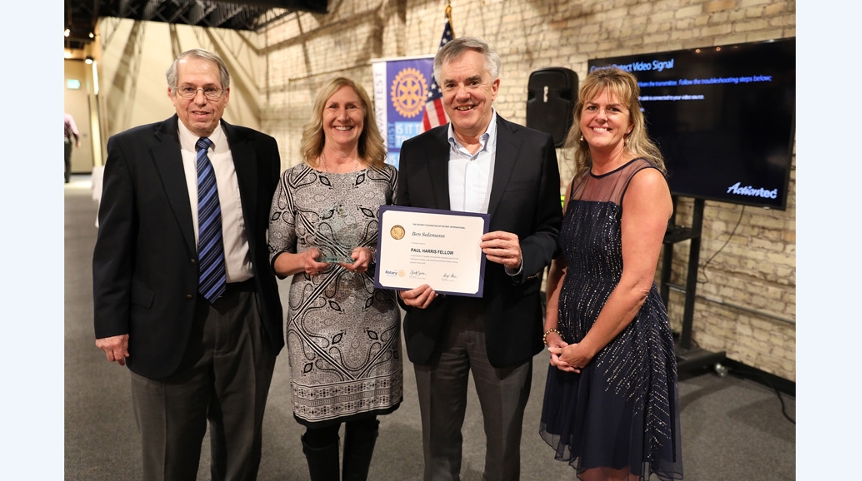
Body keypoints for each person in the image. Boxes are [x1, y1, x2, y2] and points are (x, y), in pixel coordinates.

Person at [91, 48, 284, 481]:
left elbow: (276, 226)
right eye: (189, 89)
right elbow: (112, 244)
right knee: (168, 456)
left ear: (227, 94)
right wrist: (109, 322)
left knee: (242, 449)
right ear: (172, 94)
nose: (200, 99)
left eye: (210, 89)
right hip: (164, 321)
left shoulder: (259, 149)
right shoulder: (134, 149)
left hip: (245, 314)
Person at [395, 37, 563, 481]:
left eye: (473, 81)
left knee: (504, 447)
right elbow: (402, 236)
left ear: (495, 85)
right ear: (441, 91)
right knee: (438, 447)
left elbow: (551, 228)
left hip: (505, 318)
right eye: (450, 84)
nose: (462, 93)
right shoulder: (416, 152)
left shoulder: (534, 148)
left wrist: (522, 254)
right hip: (435, 320)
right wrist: (403, 286)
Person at [538, 66, 684, 481]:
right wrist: (551, 331)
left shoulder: (644, 180)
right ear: (580, 119)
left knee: (612, 468)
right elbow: (564, 262)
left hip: (621, 340)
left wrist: (586, 348)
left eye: (613, 109)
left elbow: (636, 285)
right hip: (575, 332)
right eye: (592, 107)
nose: (601, 116)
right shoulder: (582, 179)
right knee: (589, 462)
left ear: (630, 122)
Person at [267, 77, 401, 481]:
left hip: (374, 318)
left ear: (365, 115)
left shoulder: (387, 179)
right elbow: (275, 256)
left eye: (352, 107)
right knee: (319, 426)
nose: (343, 116)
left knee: (365, 419)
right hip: (314, 328)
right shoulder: (294, 181)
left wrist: (375, 254)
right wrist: (300, 260)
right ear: (321, 116)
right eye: (333, 107)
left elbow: (405, 244)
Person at [64, 112, 81, 183]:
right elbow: (74, 130)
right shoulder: (67, 117)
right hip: (65, 141)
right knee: (67, 160)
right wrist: (77, 140)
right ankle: (67, 178)